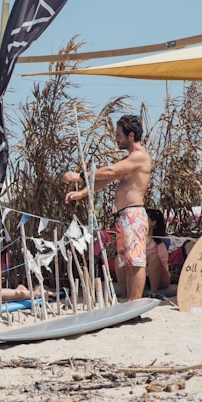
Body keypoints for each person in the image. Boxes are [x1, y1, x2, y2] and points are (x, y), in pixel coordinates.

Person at [63, 114, 153, 300]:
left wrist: (80, 175)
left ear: (130, 135)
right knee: (123, 261)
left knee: (134, 261)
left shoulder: (139, 156)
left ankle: (134, 303)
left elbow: (112, 170)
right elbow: (107, 178)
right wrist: (81, 193)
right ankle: (128, 301)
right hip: (123, 216)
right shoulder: (130, 160)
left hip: (133, 214)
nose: (116, 138)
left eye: (119, 134)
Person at [145, 208, 172, 293]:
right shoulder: (136, 242)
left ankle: (153, 293)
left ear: (153, 222)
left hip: (160, 277)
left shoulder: (159, 243)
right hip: (142, 276)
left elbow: (161, 264)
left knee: (153, 256)